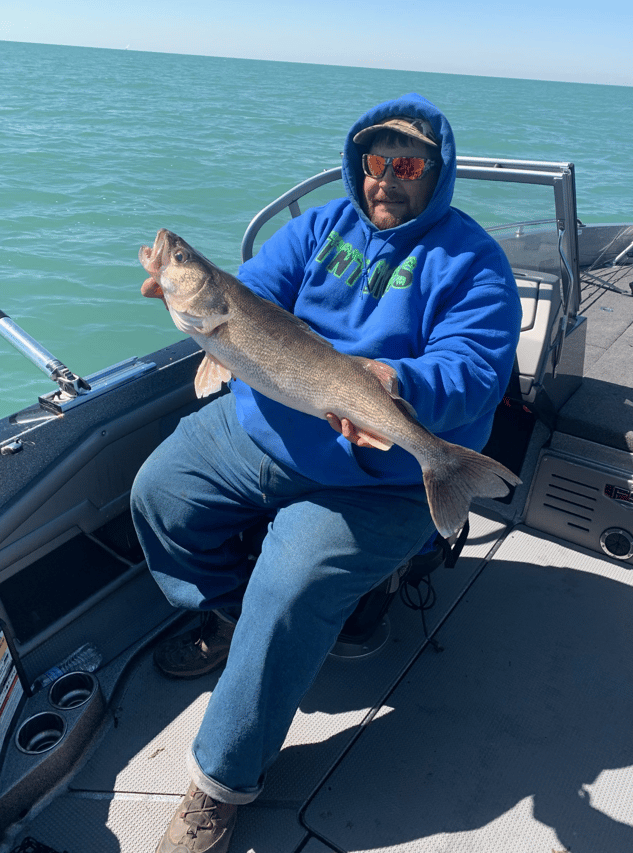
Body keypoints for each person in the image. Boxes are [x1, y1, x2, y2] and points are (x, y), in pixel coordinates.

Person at [131, 92, 522, 853]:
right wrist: (187, 293)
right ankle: (228, 617)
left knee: (293, 583)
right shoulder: (317, 227)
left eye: (407, 164)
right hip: (266, 429)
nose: (386, 178)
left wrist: (395, 384)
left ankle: (218, 784)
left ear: (437, 174)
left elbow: (474, 370)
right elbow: (250, 295)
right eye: (375, 161)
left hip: (377, 476)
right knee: (160, 491)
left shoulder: (474, 262)